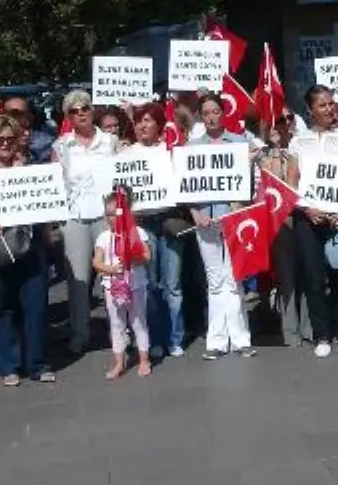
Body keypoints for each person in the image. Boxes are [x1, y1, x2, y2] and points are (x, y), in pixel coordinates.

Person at [0, 115, 55, 386]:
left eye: (10, 139)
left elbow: (47, 201)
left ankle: (37, 363)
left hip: (30, 245)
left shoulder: (31, 167)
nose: (5, 144)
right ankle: (9, 365)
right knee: (4, 308)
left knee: (36, 305)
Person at [286, 85, 338, 357]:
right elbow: (291, 183)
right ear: (310, 110)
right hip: (309, 220)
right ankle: (321, 335)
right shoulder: (298, 142)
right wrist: (307, 210)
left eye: (331, 103)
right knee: (313, 278)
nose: (330, 109)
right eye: (323, 105)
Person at [188, 93, 257, 359]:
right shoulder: (192, 147)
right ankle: (216, 341)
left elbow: (249, 184)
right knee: (215, 281)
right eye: (206, 112)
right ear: (200, 116)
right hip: (205, 220)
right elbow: (186, 186)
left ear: (223, 112)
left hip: (233, 219)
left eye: (215, 111)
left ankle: (241, 340)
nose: (211, 116)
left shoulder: (239, 142)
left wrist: (239, 205)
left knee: (234, 279)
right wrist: (195, 213)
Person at [53, 89, 120, 355]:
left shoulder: (111, 141)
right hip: (75, 216)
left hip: (107, 215)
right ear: (67, 116)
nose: (80, 113)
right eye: (74, 110)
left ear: (93, 111)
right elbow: (56, 182)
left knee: (114, 274)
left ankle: (118, 329)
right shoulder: (60, 146)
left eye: (85, 108)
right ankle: (80, 332)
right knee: (78, 279)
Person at [123, 102, 190, 359]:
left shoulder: (170, 151)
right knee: (150, 285)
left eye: (148, 120)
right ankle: (154, 338)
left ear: (159, 125)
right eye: (139, 121)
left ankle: (175, 337)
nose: (142, 125)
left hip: (169, 221)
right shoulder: (127, 154)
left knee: (172, 285)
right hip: (143, 224)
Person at [258, 110, 307, 346]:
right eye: (278, 119)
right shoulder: (263, 154)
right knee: (287, 278)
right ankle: (291, 331)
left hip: (306, 215)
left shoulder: (302, 146)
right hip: (282, 221)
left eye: (288, 119)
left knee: (308, 274)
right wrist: (276, 150)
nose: (284, 123)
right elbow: (276, 183)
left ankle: (309, 327)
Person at [93, 190, 153, 379]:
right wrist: (110, 269)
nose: (110, 219)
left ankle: (144, 359)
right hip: (113, 287)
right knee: (116, 324)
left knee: (138, 322)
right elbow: (96, 262)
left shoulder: (137, 233)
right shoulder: (103, 237)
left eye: (115, 214)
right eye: (107, 214)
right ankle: (119, 361)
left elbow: (147, 256)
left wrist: (132, 258)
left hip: (135, 285)